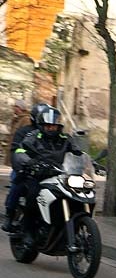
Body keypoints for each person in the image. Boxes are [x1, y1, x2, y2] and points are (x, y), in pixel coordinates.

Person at [10, 106, 79, 248]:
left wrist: (93, 163)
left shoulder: (66, 139)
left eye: (54, 126)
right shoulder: (33, 137)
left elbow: (78, 152)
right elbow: (20, 151)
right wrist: (29, 161)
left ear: (59, 126)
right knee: (33, 195)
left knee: (75, 194)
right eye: (48, 126)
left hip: (60, 176)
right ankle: (28, 230)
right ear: (41, 125)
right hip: (38, 176)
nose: (51, 129)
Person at [3, 102, 43, 233]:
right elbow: (19, 148)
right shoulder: (26, 131)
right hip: (25, 166)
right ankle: (9, 215)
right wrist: (24, 161)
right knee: (17, 183)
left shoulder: (54, 134)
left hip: (45, 169)